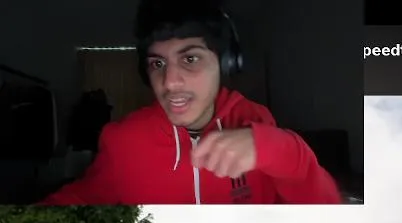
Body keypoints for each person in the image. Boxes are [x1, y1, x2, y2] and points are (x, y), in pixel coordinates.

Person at [42, 1, 340, 205]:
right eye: (158, 64)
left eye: (190, 59)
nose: (170, 82)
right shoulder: (123, 140)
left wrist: (282, 148)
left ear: (225, 63)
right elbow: (79, 201)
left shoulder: (256, 120)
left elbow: (326, 208)